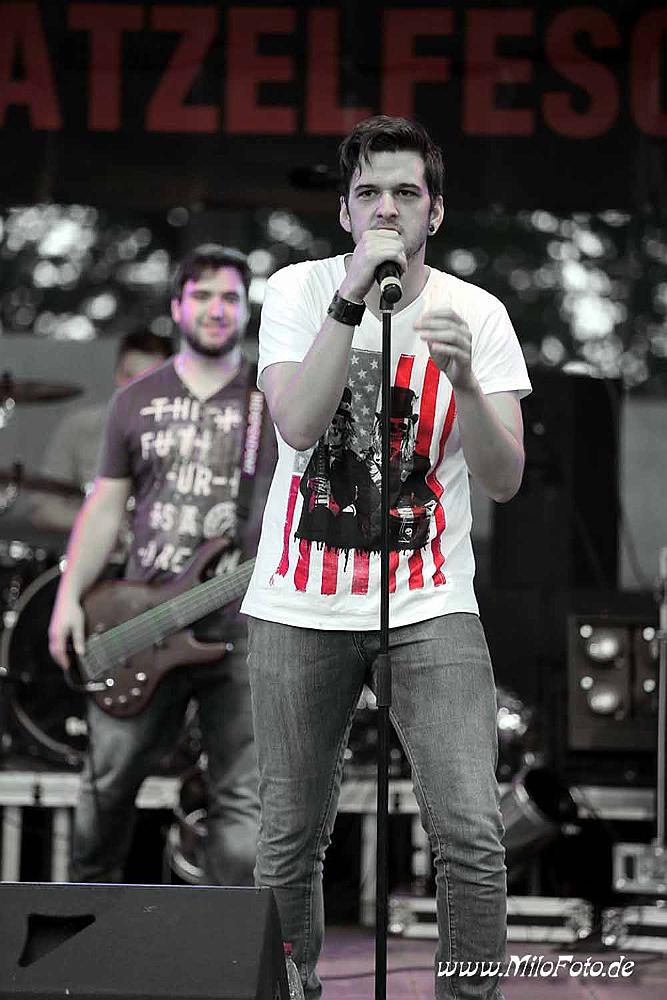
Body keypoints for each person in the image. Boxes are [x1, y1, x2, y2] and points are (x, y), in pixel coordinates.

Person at [240, 116, 531, 999]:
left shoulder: (477, 313)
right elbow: (296, 425)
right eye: (367, 192)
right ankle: (288, 990)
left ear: (434, 212)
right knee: (289, 838)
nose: (386, 209)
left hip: (430, 599)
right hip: (298, 603)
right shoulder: (297, 291)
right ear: (343, 211)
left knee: (471, 831)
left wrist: (468, 385)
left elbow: (504, 479)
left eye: (406, 192)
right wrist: (350, 299)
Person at [48, 244, 269, 885]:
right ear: (177, 307)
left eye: (229, 297)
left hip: (242, 625)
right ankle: (82, 925)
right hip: (142, 620)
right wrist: (68, 598)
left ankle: (229, 940)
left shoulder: (272, 397)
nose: (216, 309)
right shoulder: (136, 400)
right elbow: (104, 507)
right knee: (106, 787)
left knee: (243, 803)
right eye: (202, 295)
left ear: (245, 309)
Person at [30, 329, 172, 535]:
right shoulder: (81, 427)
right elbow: (44, 509)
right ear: (117, 375)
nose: (138, 390)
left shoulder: (186, 434)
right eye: (131, 378)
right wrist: (102, 526)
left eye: (151, 381)